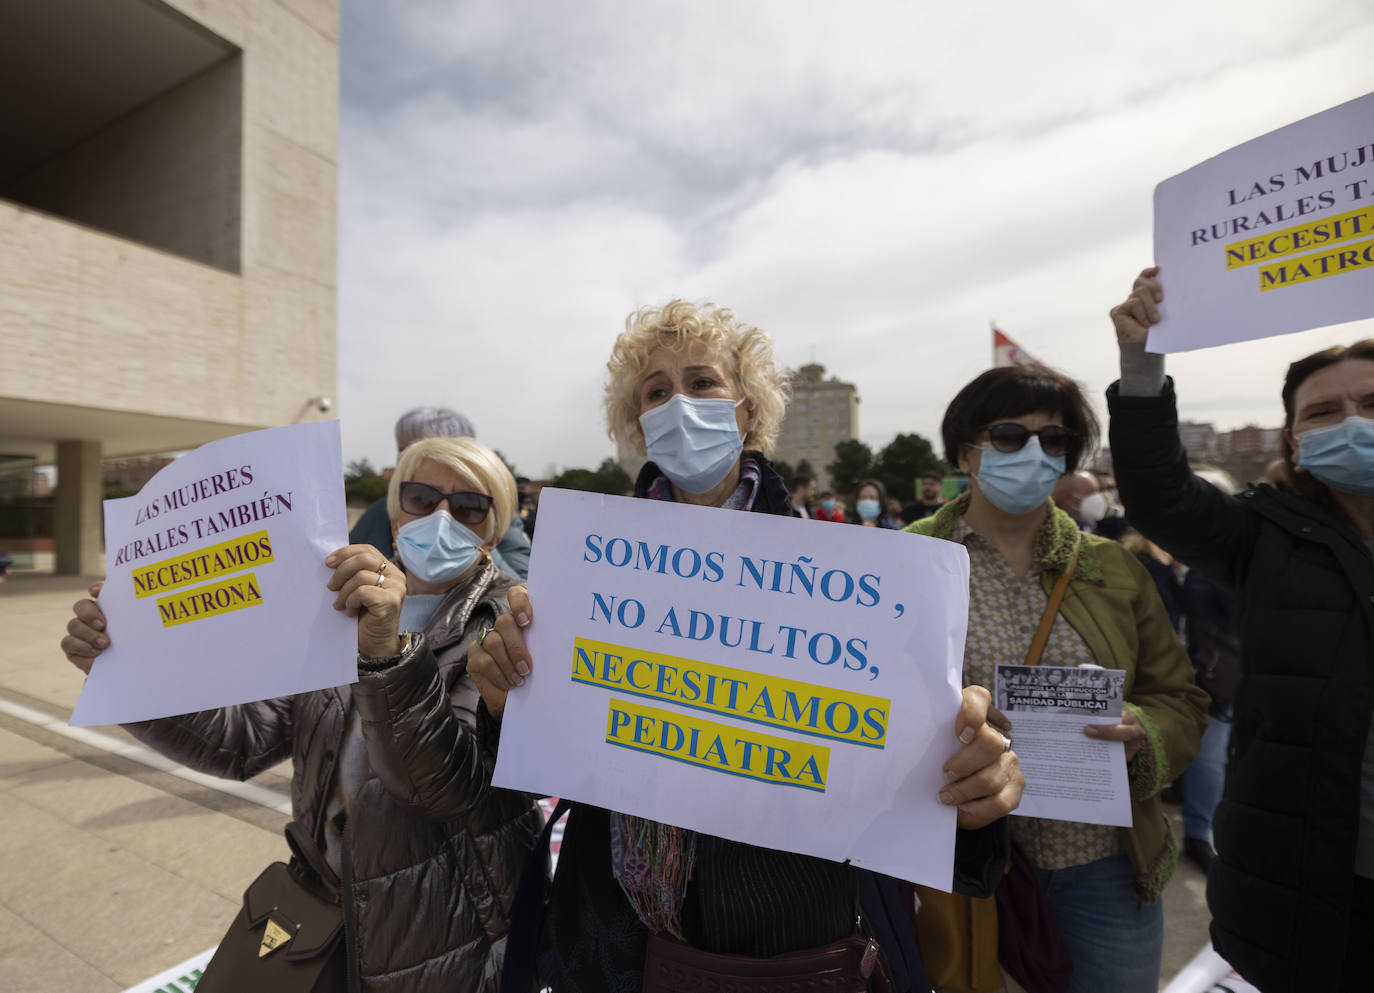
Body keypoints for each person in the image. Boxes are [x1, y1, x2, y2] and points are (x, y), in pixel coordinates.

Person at [467, 300, 1025, 991]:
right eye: (656, 390)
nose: (679, 403)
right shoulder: (576, 576)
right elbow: (536, 767)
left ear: (748, 411)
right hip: (615, 948)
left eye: (702, 382)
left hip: (796, 948)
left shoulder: (856, 580)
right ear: (637, 425)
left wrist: (973, 787)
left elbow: (912, 774)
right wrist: (502, 704)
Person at [61, 436, 543, 992]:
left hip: (453, 930)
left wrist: (384, 653)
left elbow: (445, 790)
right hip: (323, 914)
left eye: (468, 508)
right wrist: (126, 673)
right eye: (421, 496)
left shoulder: (508, 625)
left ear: (492, 532)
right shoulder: (333, 601)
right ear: (392, 512)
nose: (440, 518)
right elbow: (242, 741)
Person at [1107, 266, 1374, 993]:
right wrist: (1140, 361)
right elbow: (1160, 494)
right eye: (1323, 412)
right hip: (1312, 887)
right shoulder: (1266, 534)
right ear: (1293, 438)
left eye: (1371, 402)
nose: (1352, 421)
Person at [906, 362, 1208, 993]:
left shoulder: (1115, 569)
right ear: (967, 452)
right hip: (963, 861)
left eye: (1055, 441)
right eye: (1011, 435)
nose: (1035, 453)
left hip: (1101, 863)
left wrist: (1143, 730)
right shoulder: (909, 560)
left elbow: (1179, 696)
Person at [350, 406, 532, 579]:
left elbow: (523, 584)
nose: (407, 457)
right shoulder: (380, 511)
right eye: (402, 449)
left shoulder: (492, 514)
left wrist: (478, 542)